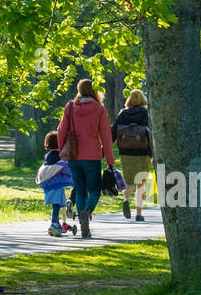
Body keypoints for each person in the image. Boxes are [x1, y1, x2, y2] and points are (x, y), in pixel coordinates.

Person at [56, 79, 115, 238]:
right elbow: (106, 138)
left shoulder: (70, 108)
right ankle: (87, 213)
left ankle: (84, 225)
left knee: (80, 191)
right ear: (93, 90)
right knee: (94, 190)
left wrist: (63, 152)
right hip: (93, 157)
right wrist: (110, 161)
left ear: (79, 90)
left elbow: (61, 131)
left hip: (74, 156)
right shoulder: (99, 109)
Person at [113, 88, 152, 223]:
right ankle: (139, 213)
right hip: (142, 152)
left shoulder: (122, 114)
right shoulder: (146, 114)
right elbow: (152, 135)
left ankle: (126, 199)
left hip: (126, 153)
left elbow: (113, 133)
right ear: (142, 100)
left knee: (129, 181)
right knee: (140, 183)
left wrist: (104, 149)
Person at [36, 132, 75, 236]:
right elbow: (66, 169)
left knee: (57, 204)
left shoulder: (48, 156)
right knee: (56, 205)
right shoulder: (60, 156)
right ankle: (54, 224)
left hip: (51, 184)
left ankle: (57, 223)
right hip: (55, 185)